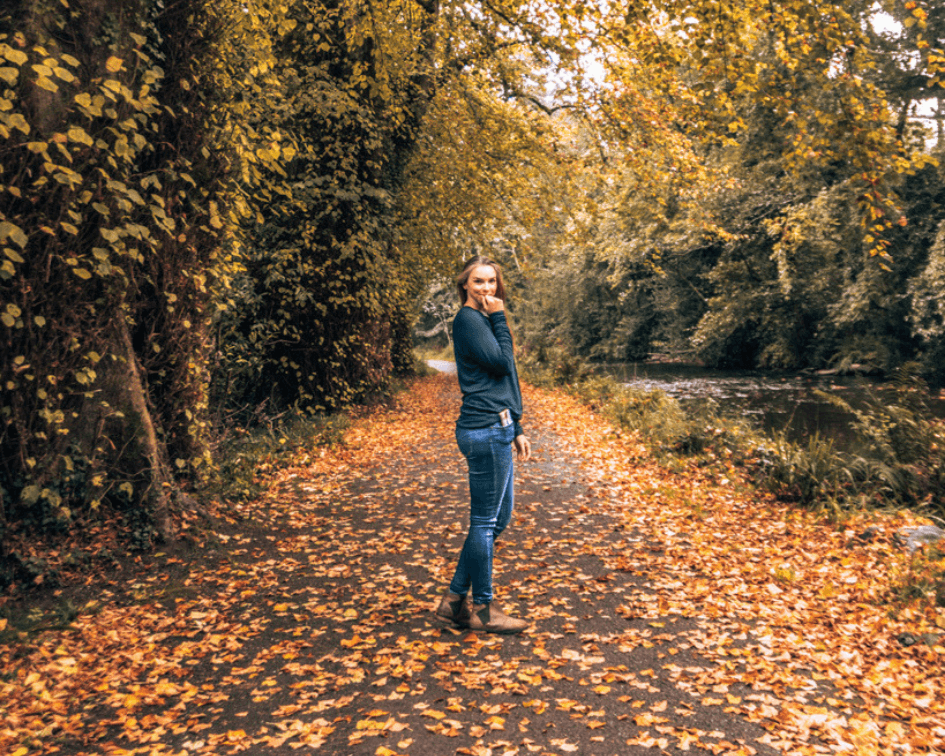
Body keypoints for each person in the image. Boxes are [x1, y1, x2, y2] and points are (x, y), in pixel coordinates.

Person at [435, 255, 532, 634]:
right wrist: (501, 320)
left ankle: (455, 600)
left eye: (492, 282)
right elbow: (501, 364)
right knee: (484, 522)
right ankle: (484, 609)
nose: (487, 288)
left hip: (501, 426)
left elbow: (507, 380)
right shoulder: (470, 320)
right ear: (465, 286)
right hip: (484, 430)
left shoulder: (483, 319)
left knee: (498, 520)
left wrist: (518, 424)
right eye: (479, 282)